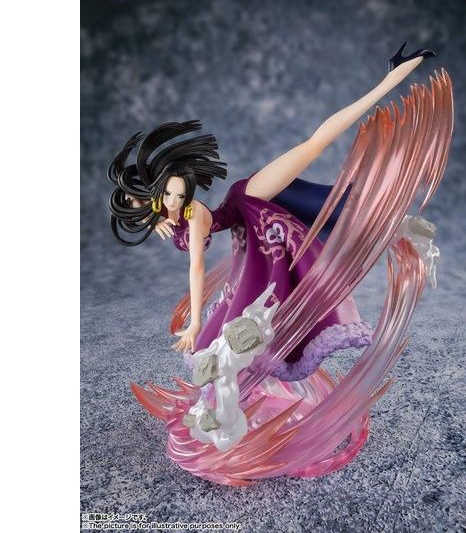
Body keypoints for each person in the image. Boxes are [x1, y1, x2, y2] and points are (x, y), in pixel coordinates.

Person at [108, 43, 437, 382]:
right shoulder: (165, 210)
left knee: (314, 145)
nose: (175, 200)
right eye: (167, 196)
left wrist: (194, 323)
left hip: (249, 196)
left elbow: (196, 268)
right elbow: (145, 203)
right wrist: (155, 217)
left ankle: (391, 78)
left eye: (179, 194)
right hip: (244, 220)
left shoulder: (191, 217)